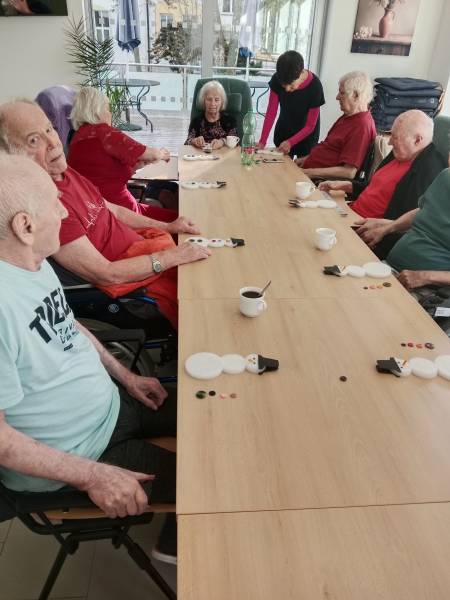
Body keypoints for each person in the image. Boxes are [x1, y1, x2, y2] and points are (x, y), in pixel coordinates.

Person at [0, 153, 177, 562]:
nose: (64, 212)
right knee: (217, 483)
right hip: (84, 453)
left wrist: (126, 376)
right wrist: (93, 475)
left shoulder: (30, 261)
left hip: (113, 403)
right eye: (54, 204)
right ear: (24, 226)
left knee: (217, 410)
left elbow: (68, 325)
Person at [0, 100, 211, 330]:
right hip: (134, 287)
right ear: (12, 156)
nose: (53, 142)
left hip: (144, 249)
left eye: (49, 129)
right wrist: (172, 257)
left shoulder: (66, 172)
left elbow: (115, 209)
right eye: (34, 140)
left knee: (208, 262)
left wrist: (168, 227)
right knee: (205, 303)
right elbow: (107, 274)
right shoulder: (46, 208)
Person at [319, 110, 445, 257]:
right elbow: (375, 188)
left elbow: (413, 222)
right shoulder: (401, 153)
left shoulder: (429, 170)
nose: (390, 142)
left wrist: (384, 230)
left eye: (395, 137)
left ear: (417, 140)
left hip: (364, 231)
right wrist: (347, 185)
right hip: (348, 212)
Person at [68, 87, 177, 222]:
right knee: (177, 218)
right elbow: (152, 154)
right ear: (97, 111)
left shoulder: (77, 138)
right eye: (107, 109)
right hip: (120, 213)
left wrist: (138, 164)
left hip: (92, 212)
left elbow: (102, 173)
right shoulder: (104, 133)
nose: (110, 114)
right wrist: (162, 153)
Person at [355, 158, 450, 293]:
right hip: (389, 269)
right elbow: (423, 209)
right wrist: (387, 228)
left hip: (425, 289)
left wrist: (425, 277)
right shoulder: (446, 176)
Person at [297, 71, 376, 179]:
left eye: (342, 93)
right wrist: (305, 159)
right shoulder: (349, 116)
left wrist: (307, 172)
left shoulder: (362, 126)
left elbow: (349, 172)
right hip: (308, 171)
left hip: (318, 180)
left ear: (356, 95)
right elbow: (329, 148)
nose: (337, 97)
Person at [256, 50, 325, 158]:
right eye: (284, 86)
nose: (287, 89)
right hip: (283, 133)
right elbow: (271, 113)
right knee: (282, 167)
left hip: (306, 138)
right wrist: (262, 141)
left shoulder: (315, 86)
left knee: (300, 168)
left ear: (301, 72)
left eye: (291, 85)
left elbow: (310, 125)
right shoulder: (277, 79)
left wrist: (291, 142)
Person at [185, 80, 238, 149]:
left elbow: (236, 142)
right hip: (201, 155)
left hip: (223, 155)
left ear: (222, 102)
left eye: (217, 100)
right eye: (209, 99)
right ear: (203, 101)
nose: (213, 103)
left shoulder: (230, 121)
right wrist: (194, 141)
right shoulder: (196, 121)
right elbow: (187, 141)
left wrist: (222, 142)